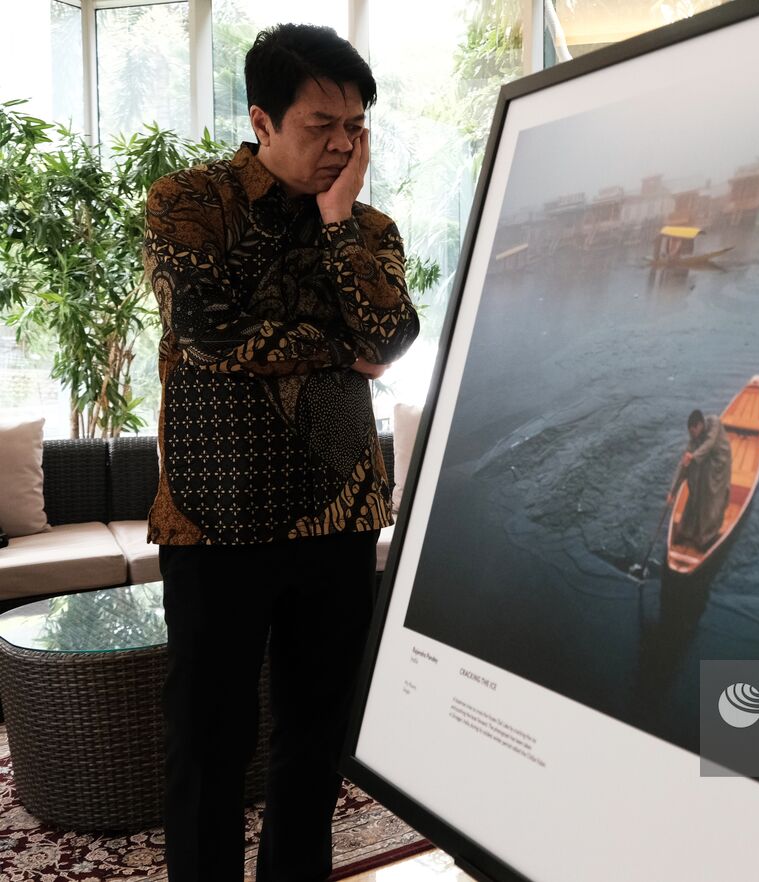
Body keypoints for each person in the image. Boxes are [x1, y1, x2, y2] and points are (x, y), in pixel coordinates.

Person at [142, 23, 419, 882]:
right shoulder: (188, 202)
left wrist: (336, 225)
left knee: (314, 746)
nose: (341, 144)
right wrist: (340, 350)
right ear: (263, 120)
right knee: (207, 751)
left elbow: (394, 334)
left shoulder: (367, 225)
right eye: (320, 124)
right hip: (215, 520)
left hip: (338, 519)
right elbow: (210, 330)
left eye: (356, 126)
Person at [668, 409, 732, 549]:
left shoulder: (714, 422)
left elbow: (709, 445)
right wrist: (672, 491)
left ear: (699, 425)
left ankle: (706, 536)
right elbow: (683, 464)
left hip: (719, 462)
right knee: (693, 483)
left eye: (692, 432)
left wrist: (693, 456)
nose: (692, 436)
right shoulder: (694, 439)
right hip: (704, 458)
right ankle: (685, 531)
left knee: (710, 492)